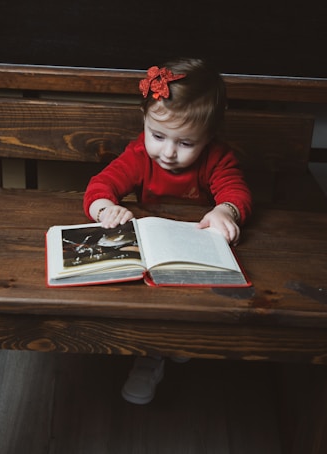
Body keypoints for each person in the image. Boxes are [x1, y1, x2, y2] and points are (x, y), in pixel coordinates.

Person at [83, 57, 252, 404]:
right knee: (151, 302)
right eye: (158, 136)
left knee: (200, 302)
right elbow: (100, 186)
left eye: (186, 143)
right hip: (152, 250)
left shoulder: (216, 159)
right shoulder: (139, 157)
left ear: (208, 138)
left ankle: (181, 340)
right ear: (144, 121)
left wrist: (225, 210)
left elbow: (236, 191)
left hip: (198, 250)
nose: (169, 153)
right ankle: (150, 357)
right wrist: (106, 209)